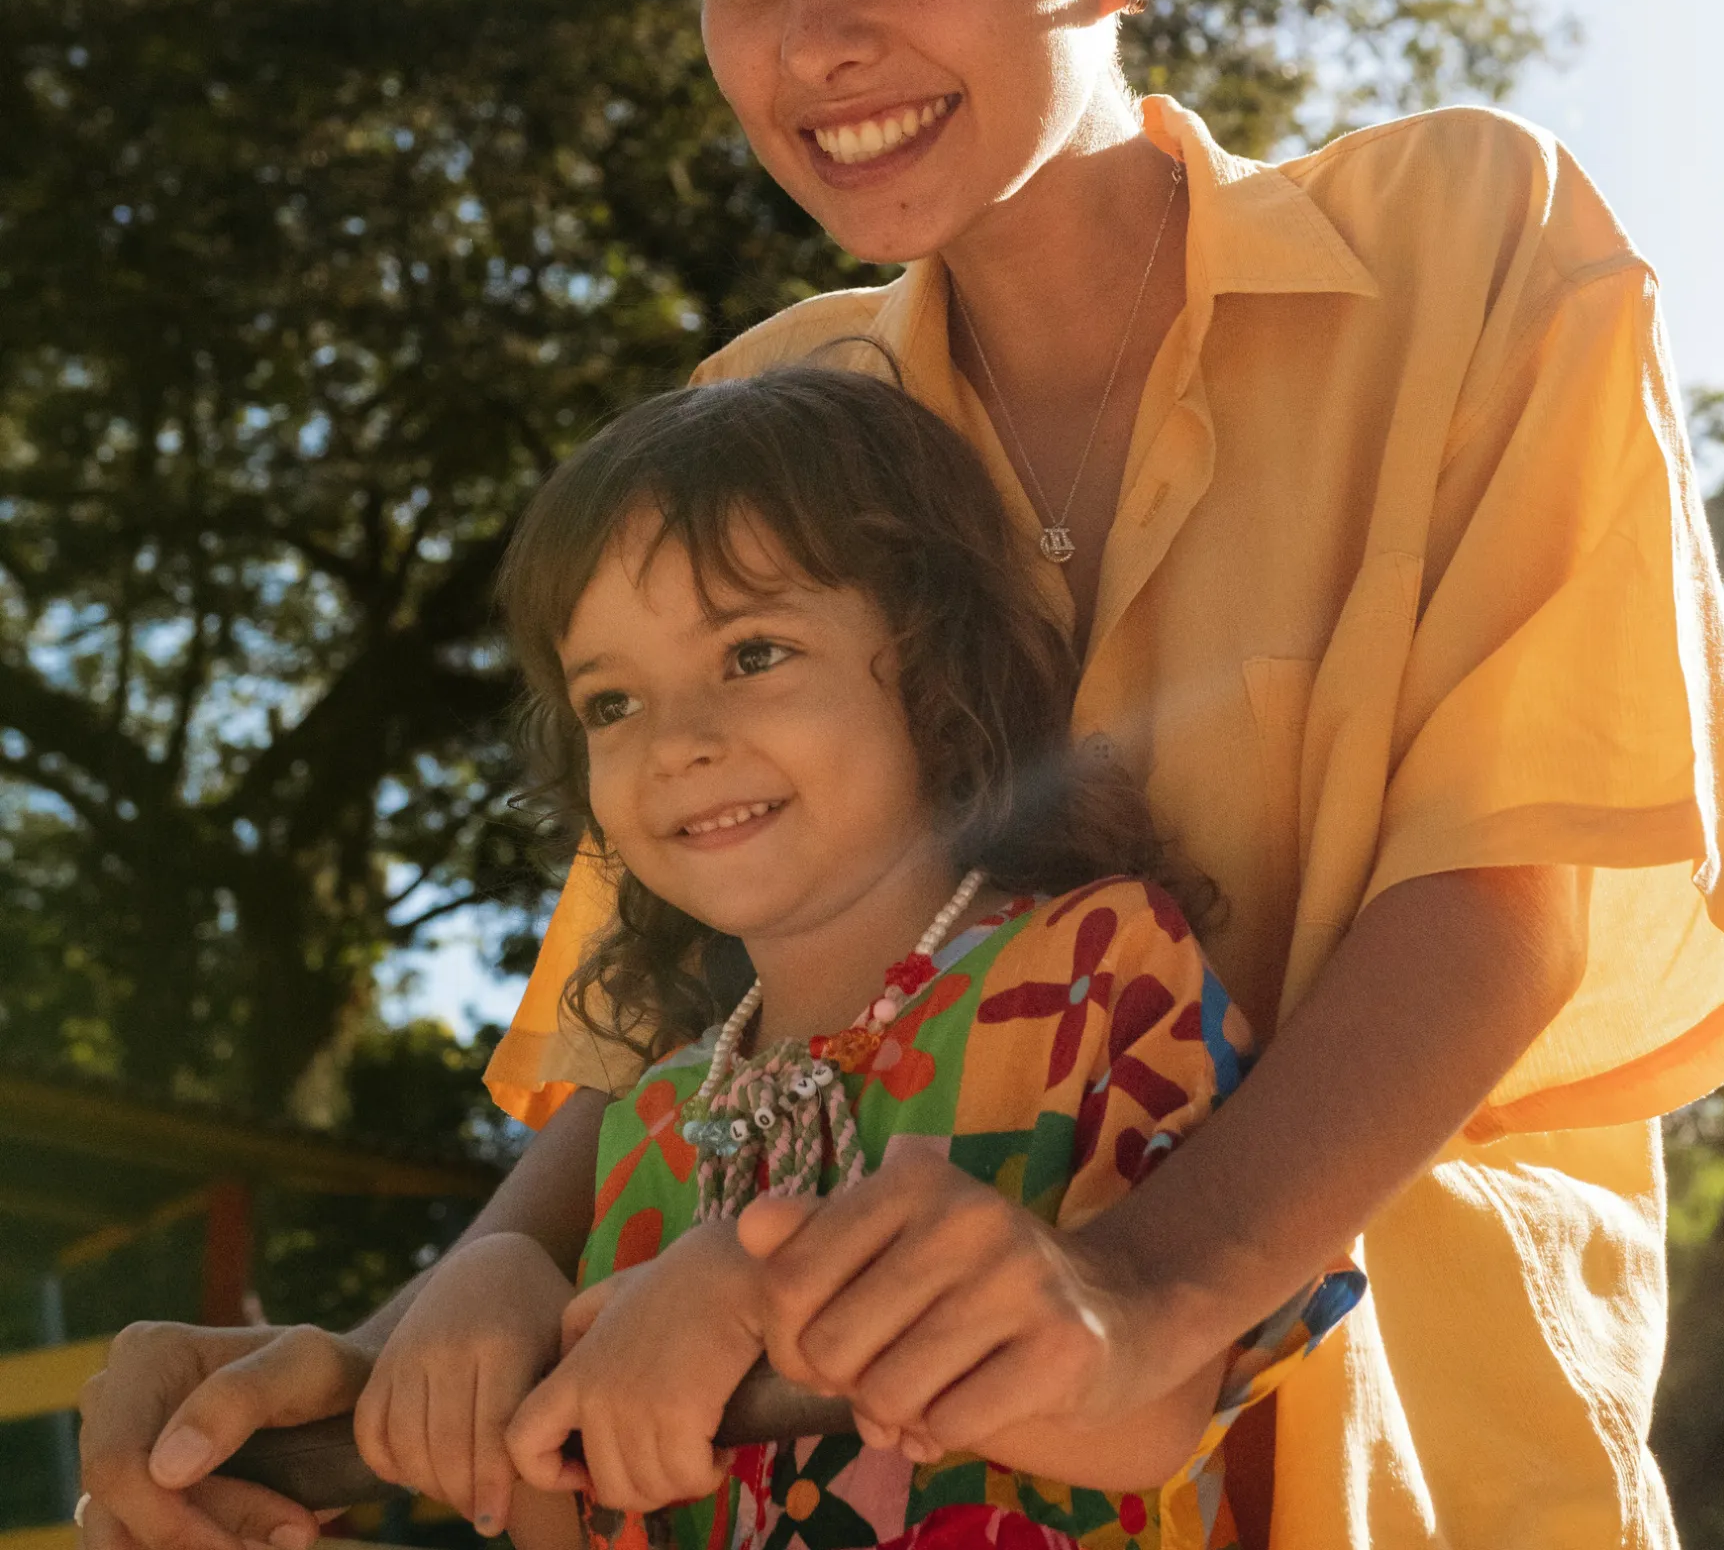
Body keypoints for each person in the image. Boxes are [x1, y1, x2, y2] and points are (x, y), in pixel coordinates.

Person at [80, 0, 1724, 1550]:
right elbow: (661, 1036)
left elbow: (1501, 893)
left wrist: (1131, 1282)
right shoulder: (762, 406)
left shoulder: (1467, 233)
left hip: (1402, 1472)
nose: (815, 33)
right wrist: (411, 1341)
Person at [486, 364, 1360, 1549]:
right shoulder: (650, 1119)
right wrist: (491, 1341)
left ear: (932, 658)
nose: (677, 741)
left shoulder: (1094, 966)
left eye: (749, 653)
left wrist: (753, 1290)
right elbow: (580, 1507)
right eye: (609, 702)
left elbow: (1150, 1403)